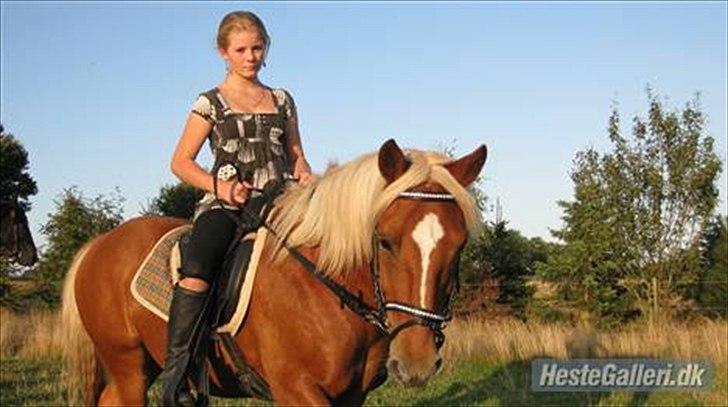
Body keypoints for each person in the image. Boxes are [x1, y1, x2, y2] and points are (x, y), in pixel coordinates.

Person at [161, 11, 313, 406]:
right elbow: (180, 162)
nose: (251, 57)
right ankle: (177, 380)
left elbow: (296, 156)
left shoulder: (282, 100)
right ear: (223, 53)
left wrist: (305, 172)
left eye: (257, 48)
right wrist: (222, 188)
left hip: (283, 205)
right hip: (227, 205)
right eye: (241, 49)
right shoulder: (209, 103)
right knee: (198, 269)